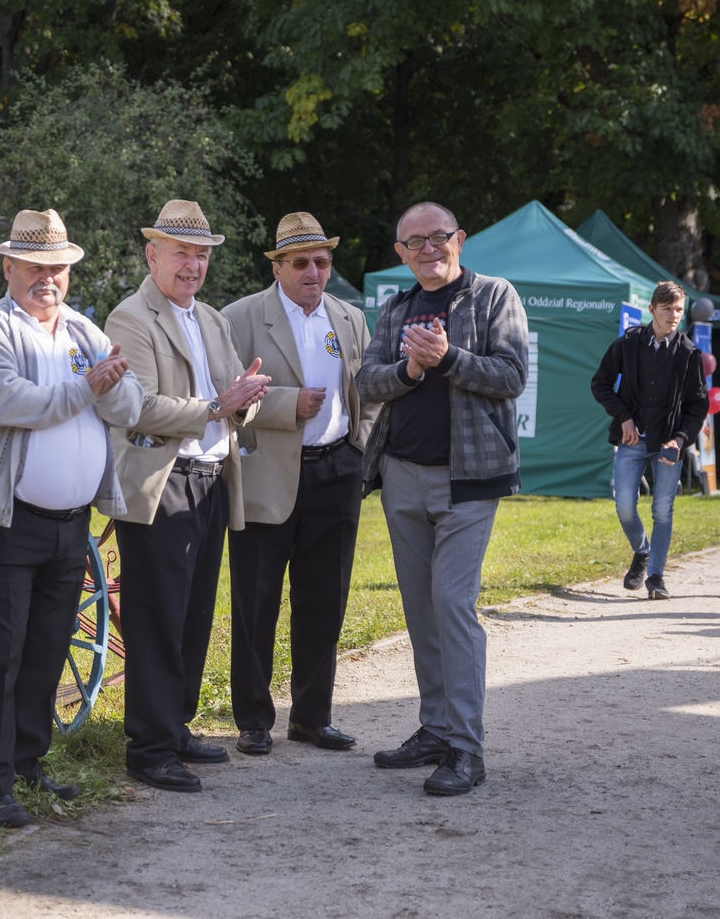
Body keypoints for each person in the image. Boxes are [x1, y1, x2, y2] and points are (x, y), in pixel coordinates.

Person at [0, 210, 143, 828]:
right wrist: (90, 387)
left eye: (58, 267)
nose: (47, 278)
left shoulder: (82, 331)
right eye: (35, 266)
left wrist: (109, 384)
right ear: (9, 267)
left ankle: (27, 763)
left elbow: (130, 405)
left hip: (68, 522)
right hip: (1, 520)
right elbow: (8, 402)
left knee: (47, 651)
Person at [358, 202, 528, 797]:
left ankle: (466, 748)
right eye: (415, 242)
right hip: (402, 476)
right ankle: (435, 728)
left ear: (460, 239)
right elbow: (366, 381)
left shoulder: (494, 295)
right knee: (421, 610)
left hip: (468, 481)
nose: (428, 249)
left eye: (438, 237)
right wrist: (410, 369)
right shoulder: (395, 308)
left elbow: (511, 376)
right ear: (401, 253)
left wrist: (448, 358)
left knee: (452, 604)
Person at [104, 200, 270, 793]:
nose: (193, 265)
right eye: (182, 253)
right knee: (156, 617)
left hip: (212, 477)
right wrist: (221, 405)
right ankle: (148, 748)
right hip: (162, 483)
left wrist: (245, 400)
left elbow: (237, 397)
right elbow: (140, 406)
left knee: (195, 613)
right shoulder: (131, 317)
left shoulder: (212, 320)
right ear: (152, 256)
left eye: (201, 255)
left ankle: (175, 727)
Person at [222, 212, 378, 756]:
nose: (314, 272)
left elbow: (370, 391)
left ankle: (312, 718)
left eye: (322, 261)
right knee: (256, 601)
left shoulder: (349, 317)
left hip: (336, 471)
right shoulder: (239, 317)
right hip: (266, 475)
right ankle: (253, 720)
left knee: (324, 601)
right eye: (301, 263)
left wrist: (358, 446)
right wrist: (288, 404)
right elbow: (225, 394)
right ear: (278, 267)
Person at [589, 281, 709, 600]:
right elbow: (600, 383)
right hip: (632, 439)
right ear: (652, 309)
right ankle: (642, 551)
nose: (674, 315)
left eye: (679, 310)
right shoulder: (628, 343)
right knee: (625, 506)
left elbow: (698, 405)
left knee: (663, 510)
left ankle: (656, 577)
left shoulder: (688, 352)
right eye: (667, 309)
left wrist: (680, 439)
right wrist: (623, 416)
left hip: (669, 443)